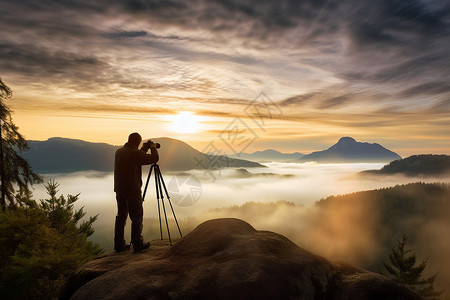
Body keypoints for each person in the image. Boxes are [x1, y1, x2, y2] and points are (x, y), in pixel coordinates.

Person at [114, 132, 159, 252]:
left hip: (119, 189)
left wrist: (144, 149)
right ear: (138, 142)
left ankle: (119, 245)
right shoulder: (135, 153)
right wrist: (153, 148)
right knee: (137, 217)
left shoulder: (119, 152)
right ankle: (137, 244)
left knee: (121, 217)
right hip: (132, 190)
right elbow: (154, 158)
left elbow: (136, 158)